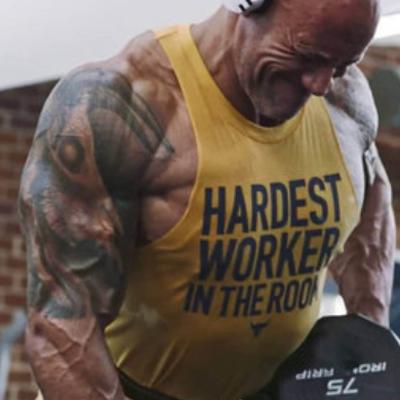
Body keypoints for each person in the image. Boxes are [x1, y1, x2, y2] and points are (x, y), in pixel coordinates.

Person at [18, 0, 396, 399]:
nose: (320, 84)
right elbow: (62, 329)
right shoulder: (121, 106)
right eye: (307, 56)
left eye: (341, 65)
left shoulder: (343, 101)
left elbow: (370, 190)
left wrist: (367, 338)